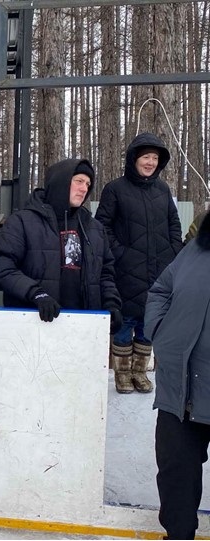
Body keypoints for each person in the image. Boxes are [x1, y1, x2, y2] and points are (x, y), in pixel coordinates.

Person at [95, 133, 183, 394]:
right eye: (146, 156)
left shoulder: (163, 190)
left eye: (155, 158)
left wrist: (173, 252)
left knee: (149, 323)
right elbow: (102, 227)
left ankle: (140, 371)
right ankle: (122, 373)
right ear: (134, 158)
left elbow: (174, 224)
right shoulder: (115, 189)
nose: (150, 162)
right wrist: (121, 254)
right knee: (125, 325)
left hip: (158, 270)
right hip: (125, 272)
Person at [0, 158, 122, 330]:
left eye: (88, 184)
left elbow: (105, 273)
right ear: (61, 181)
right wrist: (36, 293)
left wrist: (111, 304)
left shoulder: (94, 228)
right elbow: (1, 265)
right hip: (33, 322)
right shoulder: (23, 221)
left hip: (83, 327)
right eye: (79, 181)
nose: (84, 188)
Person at [145, 211, 210, 540]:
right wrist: (160, 331)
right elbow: (161, 290)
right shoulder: (197, 248)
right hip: (179, 384)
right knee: (176, 472)